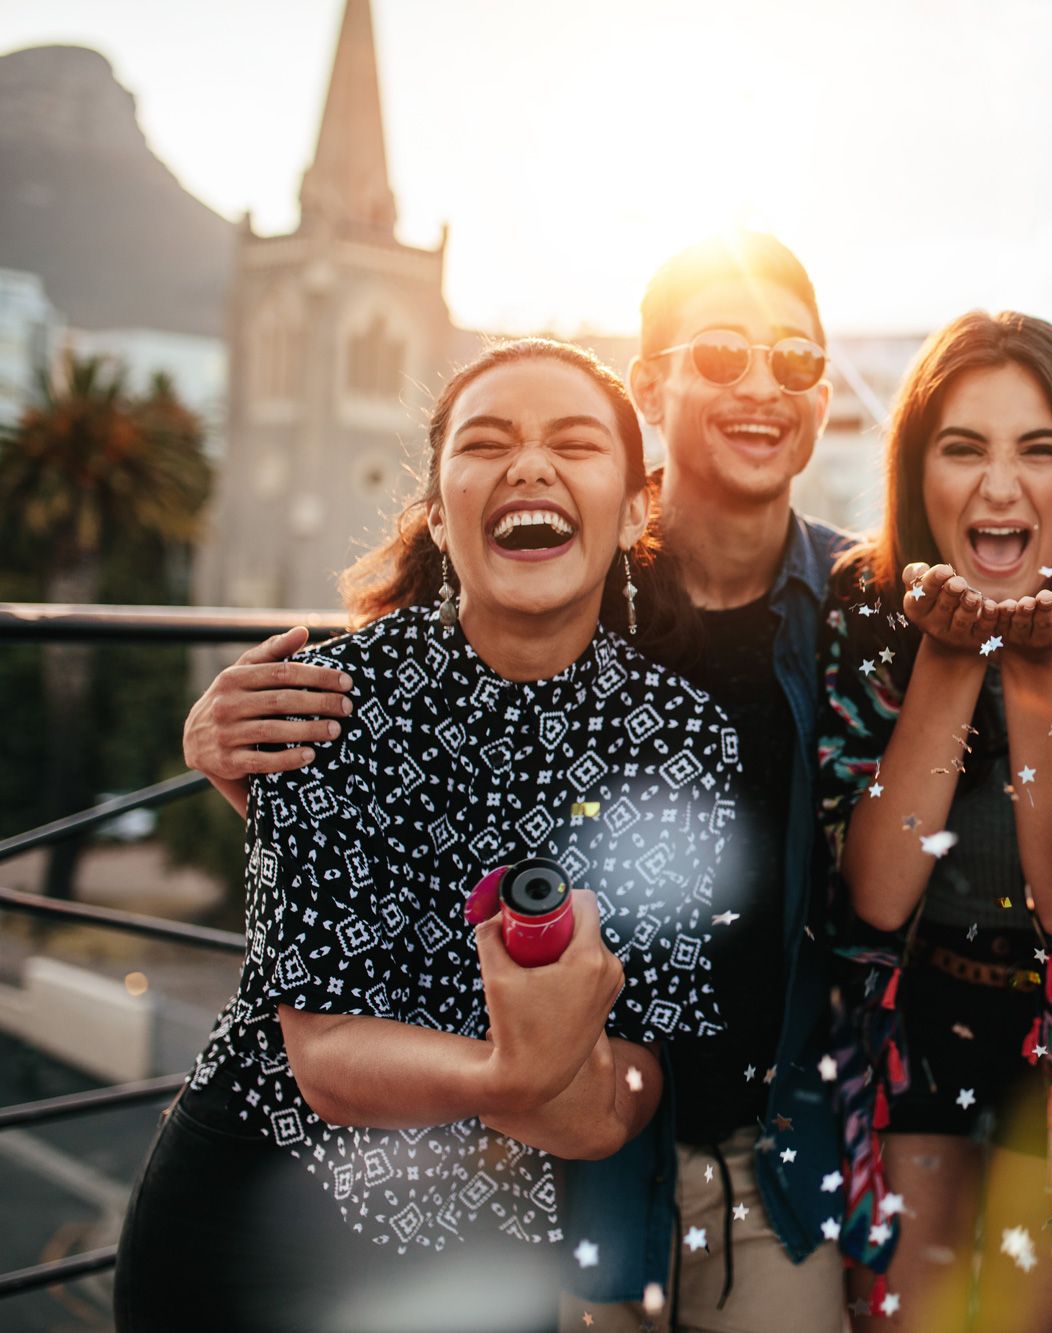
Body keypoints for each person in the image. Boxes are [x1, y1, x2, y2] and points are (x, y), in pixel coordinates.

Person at [178, 235, 851, 1331]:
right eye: (721, 355)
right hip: (535, 1157)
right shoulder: (542, 577)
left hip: (732, 1129)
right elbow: (399, 756)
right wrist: (224, 736)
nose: (760, 386)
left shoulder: (859, 608)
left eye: (794, 358)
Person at [116, 338, 736, 1332]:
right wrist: (520, 1072)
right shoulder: (324, 699)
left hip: (487, 1254)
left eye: (573, 443)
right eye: (487, 443)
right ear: (441, 516)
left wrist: (558, 1084)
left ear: (633, 510)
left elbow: (620, 1096)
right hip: (252, 1215)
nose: (529, 466)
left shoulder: (684, 738)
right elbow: (323, 1056)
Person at [817, 311, 1052, 1330]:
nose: (998, 485)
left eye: (1039, 449)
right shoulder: (864, 601)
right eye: (962, 448)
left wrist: (1035, 677)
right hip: (916, 1011)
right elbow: (879, 892)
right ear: (914, 471)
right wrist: (947, 660)